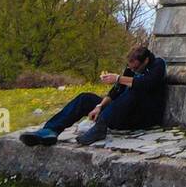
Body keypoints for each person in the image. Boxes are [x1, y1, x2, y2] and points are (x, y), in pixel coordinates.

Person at [20, 45, 167, 147]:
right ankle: (50, 131)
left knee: (134, 89)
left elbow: (147, 83)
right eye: (131, 68)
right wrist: (99, 106)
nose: (133, 70)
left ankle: (100, 127)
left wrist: (118, 78)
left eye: (136, 68)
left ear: (146, 60)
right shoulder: (131, 71)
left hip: (141, 117)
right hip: (118, 113)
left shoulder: (158, 65)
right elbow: (116, 91)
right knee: (85, 98)